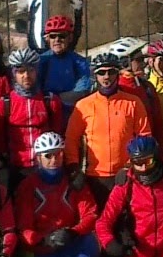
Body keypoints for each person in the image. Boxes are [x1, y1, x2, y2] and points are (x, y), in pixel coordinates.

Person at [13, 136, 100, 257]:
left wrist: (72, 232)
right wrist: (43, 240)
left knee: (91, 245)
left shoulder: (74, 182)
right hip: (40, 253)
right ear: (38, 158)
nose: (54, 160)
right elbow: (23, 227)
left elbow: (90, 213)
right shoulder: (27, 186)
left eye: (58, 155)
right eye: (48, 156)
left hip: (66, 244)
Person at [64, 52, 153, 202]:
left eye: (111, 72)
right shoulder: (83, 105)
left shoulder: (133, 102)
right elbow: (71, 139)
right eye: (101, 73)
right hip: (95, 177)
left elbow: (145, 137)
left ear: (117, 74)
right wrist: (73, 168)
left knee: (126, 222)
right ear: (95, 76)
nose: (106, 77)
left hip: (126, 175)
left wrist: (129, 167)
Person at [0, 48, 67, 173]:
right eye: (21, 71)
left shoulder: (50, 101)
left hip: (45, 166)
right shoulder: (4, 104)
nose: (26, 76)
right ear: (13, 74)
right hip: (15, 167)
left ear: (37, 71)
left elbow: (58, 132)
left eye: (31, 70)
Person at [28, 0, 91, 107]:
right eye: (52, 36)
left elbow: (82, 90)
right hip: (47, 112)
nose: (57, 40)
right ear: (47, 39)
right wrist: (31, 20)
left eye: (62, 36)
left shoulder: (78, 62)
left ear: (69, 38)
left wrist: (78, 13)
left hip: (70, 112)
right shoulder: (42, 60)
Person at [119, 46, 163, 146]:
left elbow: (158, 123)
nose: (144, 64)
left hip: (148, 150)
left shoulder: (147, 87)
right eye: (139, 60)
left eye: (144, 59)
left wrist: (162, 153)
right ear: (125, 63)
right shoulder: (116, 90)